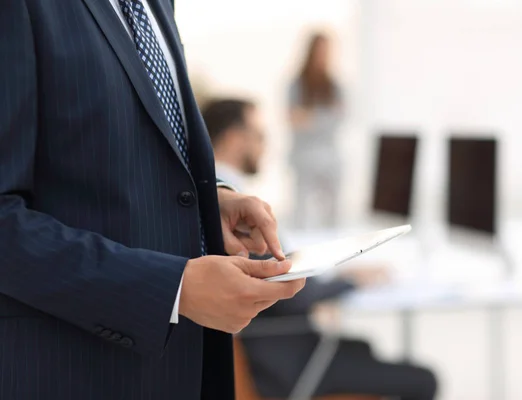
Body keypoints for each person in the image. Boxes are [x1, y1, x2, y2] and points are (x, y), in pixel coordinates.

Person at [0, 2, 305, 400]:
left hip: (181, 371)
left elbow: (121, 153)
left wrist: (210, 205)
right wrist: (172, 289)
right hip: (72, 373)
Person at [203, 98, 438, 400]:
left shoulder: (221, 193)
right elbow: (291, 291)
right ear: (236, 139)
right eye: (260, 136)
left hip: (280, 349)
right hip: (287, 366)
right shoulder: (231, 208)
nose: (267, 146)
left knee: (363, 347)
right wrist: (350, 281)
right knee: (424, 380)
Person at [288, 32, 344, 230]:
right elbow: (295, 119)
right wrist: (325, 117)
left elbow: (341, 117)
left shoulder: (335, 85)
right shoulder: (297, 84)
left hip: (329, 156)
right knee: (302, 213)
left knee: (333, 213)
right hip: (304, 157)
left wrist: (311, 117)